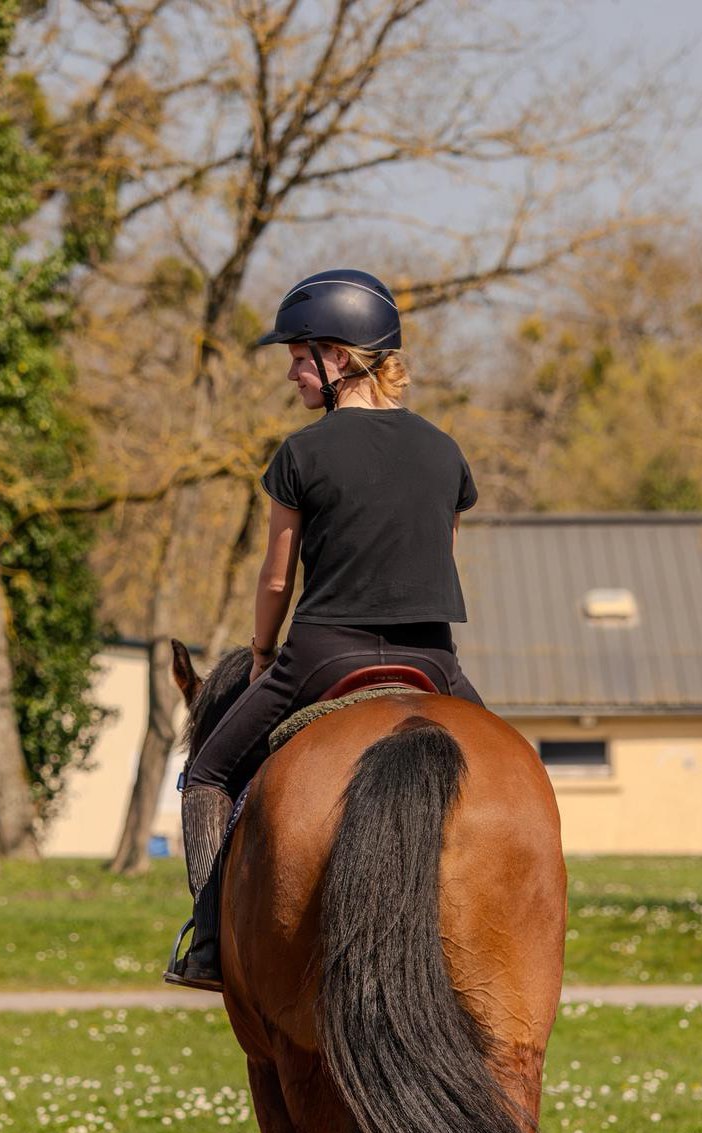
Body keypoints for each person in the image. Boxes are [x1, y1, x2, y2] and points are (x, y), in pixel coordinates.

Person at [166, 267, 483, 991]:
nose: (290, 372)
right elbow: (445, 553)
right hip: (434, 660)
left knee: (208, 773)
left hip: (322, 654)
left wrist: (260, 651)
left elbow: (277, 578)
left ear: (338, 358)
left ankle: (210, 942)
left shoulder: (302, 454)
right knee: (513, 770)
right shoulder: (445, 451)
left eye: (296, 355)